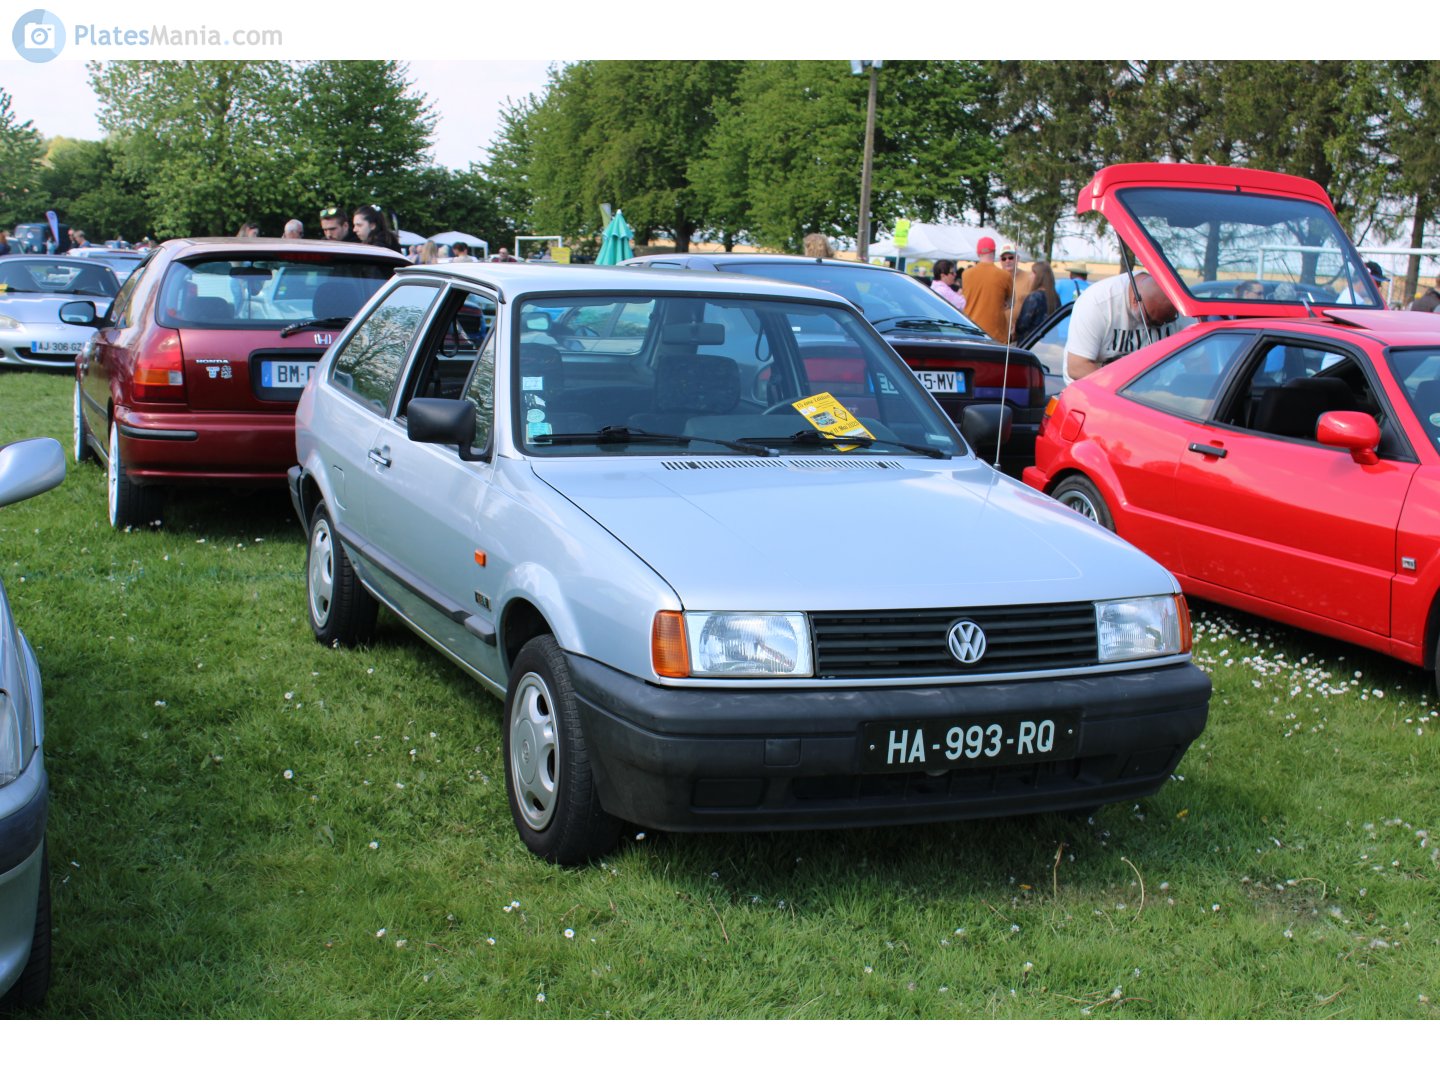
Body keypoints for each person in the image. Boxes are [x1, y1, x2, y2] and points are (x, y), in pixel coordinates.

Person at [1064, 270, 1191, 383]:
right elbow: (1077, 367)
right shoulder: (1097, 303)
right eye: (1152, 321)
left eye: (1167, 320)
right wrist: (1125, 390)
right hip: (1095, 391)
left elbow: (1198, 360)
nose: (1160, 325)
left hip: (1153, 393)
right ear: (1136, 300)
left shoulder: (1181, 306)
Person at [961, 236, 1013, 343]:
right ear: (994, 252)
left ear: (978, 253)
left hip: (971, 332)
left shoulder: (966, 274)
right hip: (996, 336)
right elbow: (1011, 302)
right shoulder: (1004, 275)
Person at [1014, 260, 1060, 341]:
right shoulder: (1055, 297)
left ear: (1039, 276)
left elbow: (1021, 326)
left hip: (1031, 343)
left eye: (1032, 273)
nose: (1030, 276)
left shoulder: (1034, 297)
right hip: (1049, 342)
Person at [1001, 245, 1032, 342]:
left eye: (1011, 257)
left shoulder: (1029, 278)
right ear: (1000, 260)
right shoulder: (997, 278)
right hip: (999, 334)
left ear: (1017, 258)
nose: (1007, 261)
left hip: (1020, 336)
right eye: (1004, 258)